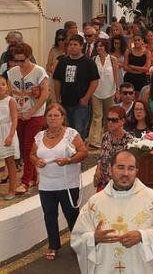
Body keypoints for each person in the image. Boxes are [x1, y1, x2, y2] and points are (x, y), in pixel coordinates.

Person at [72, 150, 153, 273]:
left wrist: (142, 235)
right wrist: (93, 238)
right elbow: (77, 238)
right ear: (110, 170)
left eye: (131, 168)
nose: (126, 173)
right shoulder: (94, 203)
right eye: (120, 167)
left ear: (136, 172)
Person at [30, 103, 88, 260]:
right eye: (50, 116)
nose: (53, 118)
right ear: (45, 118)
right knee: (49, 215)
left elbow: (84, 152)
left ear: (63, 117)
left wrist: (69, 160)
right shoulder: (40, 136)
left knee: (72, 215)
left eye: (56, 115)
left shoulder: (71, 134)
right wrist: (37, 161)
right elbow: (32, 154)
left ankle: (78, 243)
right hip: (46, 185)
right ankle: (53, 245)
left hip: (68, 184)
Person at [6, 43, 50, 194]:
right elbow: (10, 92)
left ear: (29, 57)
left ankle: (25, 181)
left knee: (28, 147)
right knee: (22, 148)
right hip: (18, 114)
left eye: (22, 60)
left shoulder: (39, 71)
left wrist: (31, 111)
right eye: (16, 60)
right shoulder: (12, 72)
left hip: (34, 115)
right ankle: (33, 175)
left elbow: (45, 94)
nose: (19, 64)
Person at [54, 34, 100, 138]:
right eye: (70, 45)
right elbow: (57, 80)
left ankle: (80, 152)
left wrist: (86, 98)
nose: (72, 47)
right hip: (65, 102)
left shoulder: (89, 62)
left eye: (75, 44)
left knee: (79, 131)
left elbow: (95, 81)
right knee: (65, 131)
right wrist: (57, 99)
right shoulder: (62, 62)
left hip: (81, 104)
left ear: (81, 46)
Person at [93, 107, 134, 192]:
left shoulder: (129, 140)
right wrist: (98, 169)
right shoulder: (105, 136)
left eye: (114, 120)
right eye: (108, 119)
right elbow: (102, 155)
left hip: (118, 184)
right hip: (103, 182)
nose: (110, 122)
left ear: (123, 121)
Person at [88, 39, 120, 148]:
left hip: (110, 91)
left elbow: (116, 75)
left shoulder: (112, 59)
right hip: (96, 91)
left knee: (108, 116)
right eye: (97, 46)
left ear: (105, 47)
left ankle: (108, 137)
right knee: (97, 115)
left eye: (101, 46)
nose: (99, 48)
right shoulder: (93, 59)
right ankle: (94, 140)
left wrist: (117, 90)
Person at [123, 33, 151, 98]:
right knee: (128, 96)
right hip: (129, 77)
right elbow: (125, 67)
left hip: (141, 78)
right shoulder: (128, 51)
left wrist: (133, 67)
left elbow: (147, 68)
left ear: (142, 40)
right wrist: (138, 71)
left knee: (140, 97)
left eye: (138, 40)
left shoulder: (147, 52)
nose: (137, 42)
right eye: (135, 40)